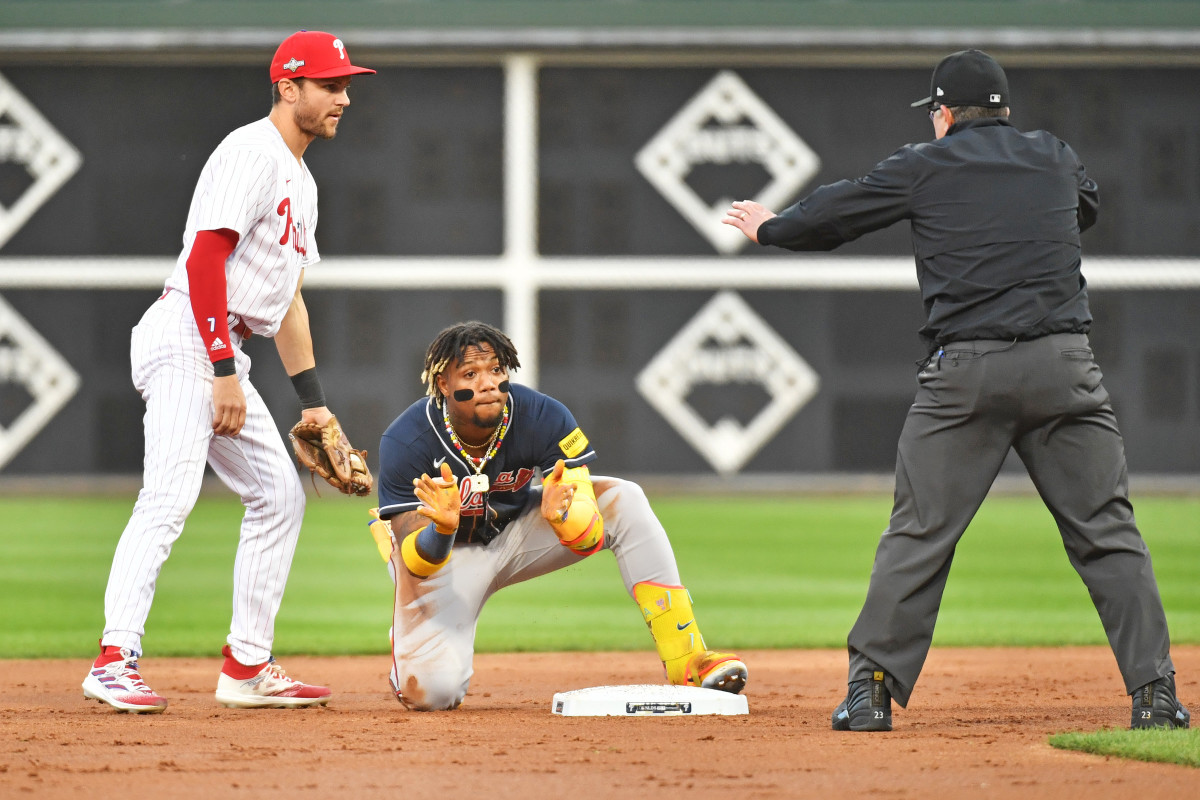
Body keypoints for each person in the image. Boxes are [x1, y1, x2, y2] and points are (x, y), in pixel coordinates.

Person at [724, 49, 1189, 732]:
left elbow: (838, 213)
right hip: (1064, 367)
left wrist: (771, 227)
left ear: (943, 113)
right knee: (1108, 533)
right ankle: (1155, 695)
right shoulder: (1054, 155)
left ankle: (870, 695)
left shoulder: (924, 164)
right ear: (1005, 111)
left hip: (966, 375)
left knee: (918, 535)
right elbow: (1083, 209)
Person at [82, 31, 375, 713]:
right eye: (330, 85)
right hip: (188, 333)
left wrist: (314, 403)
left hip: (219, 346)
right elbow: (205, 259)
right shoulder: (252, 152)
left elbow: (289, 301)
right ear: (288, 88)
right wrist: (221, 369)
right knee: (169, 496)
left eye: (345, 85)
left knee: (279, 496)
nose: (344, 97)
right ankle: (113, 659)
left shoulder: (302, 182)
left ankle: (247, 666)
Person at [368, 321, 747, 711]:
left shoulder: (542, 415)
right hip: (444, 556)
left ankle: (688, 660)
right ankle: (409, 649)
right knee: (431, 695)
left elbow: (587, 532)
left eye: (496, 370)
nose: (488, 383)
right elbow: (417, 562)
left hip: (515, 529)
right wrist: (443, 529)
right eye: (470, 374)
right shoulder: (407, 440)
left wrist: (565, 518)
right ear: (443, 383)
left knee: (625, 499)